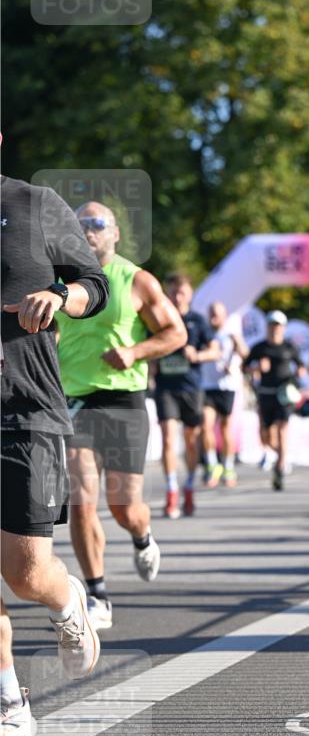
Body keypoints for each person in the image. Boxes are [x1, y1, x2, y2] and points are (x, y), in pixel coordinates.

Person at [1, 170, 109, 736]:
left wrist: (61, 295)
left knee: (24, 574)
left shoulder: (33, 203)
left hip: (26, 412)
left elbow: (96, 285)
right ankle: (9, 704)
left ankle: (68, 600)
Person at [57, 201, 187, 631]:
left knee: (125, 507)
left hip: (124, 400)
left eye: (97, 224)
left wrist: (134, 351)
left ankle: (141, 536)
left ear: (114, 233)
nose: (88, 231)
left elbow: (175, 333)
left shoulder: (136, 280)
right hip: (75, 402)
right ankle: (98, 593)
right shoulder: (59, 282)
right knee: (81, 502)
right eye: (80, 225)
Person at [154, 273, 220, 518]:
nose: (177, 297)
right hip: (165, 387)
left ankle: (189, 486)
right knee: (169, 439)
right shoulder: (158, 320)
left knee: (191, 441)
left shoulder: (198, 321)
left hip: (191, 388)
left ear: (190, 295)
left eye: (181, 292)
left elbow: (215, 351)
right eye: (172, 292)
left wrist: (198, 356)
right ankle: (171, 491)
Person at [244, 311, 305, 491]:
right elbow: (245, 366)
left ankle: (280, 466)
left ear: (283, 328)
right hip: (265, 393)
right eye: (271, 325)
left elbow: (301, 366)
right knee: (267, 435)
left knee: (283, 429)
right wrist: (256, 367)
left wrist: (300, 373)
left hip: (284, 394)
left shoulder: (289, 347)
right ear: (267, 327)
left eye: (278, 325)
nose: (274, 329)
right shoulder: (259, 348)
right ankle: (280, 455)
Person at [201, 302, 248, 488]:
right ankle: (212, 464)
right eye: (211, 312)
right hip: (207, 385)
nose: (214, 316)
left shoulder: (231, 334)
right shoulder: (205, 334)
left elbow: (245, 353)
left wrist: (238, 344)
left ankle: (228, 465)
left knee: (226, 428)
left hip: (227, 386)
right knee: (206, 425)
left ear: (225, 315)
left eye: (217, 313)